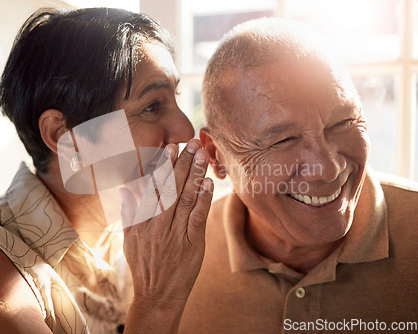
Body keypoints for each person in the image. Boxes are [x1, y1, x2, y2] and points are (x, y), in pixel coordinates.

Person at [0, 7, 214, 334]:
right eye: (152, 106)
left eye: (176, 97)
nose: (187, 131)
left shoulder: (150, 237)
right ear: (63, 135)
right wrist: (157, 299)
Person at [179, 17, 418, 333]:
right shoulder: (173, 262)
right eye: (282, 140)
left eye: (343, 122)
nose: (328, 168)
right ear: (216, 155)